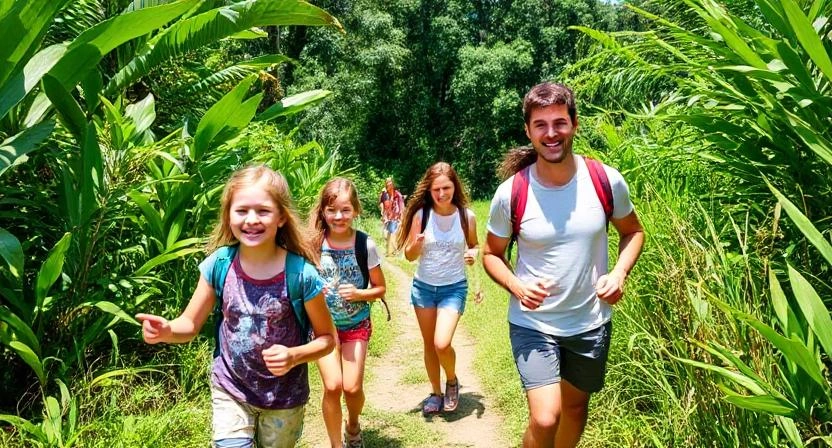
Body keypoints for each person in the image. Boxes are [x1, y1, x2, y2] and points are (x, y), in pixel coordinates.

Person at [482, 82, 644, 448]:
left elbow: (633, 232)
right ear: (528, 131)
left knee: (573, 410)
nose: (551, 133)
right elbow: (491, 254)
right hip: (533, 323)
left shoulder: (606, 180)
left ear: (574, 124)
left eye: (559, 122)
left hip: (589, 321)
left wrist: (618, 273)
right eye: (540, 124)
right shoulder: (511, 193)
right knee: (545, 417)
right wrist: (517, 286)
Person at [136, 166, 337, 448]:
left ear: (281, 217)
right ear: (228, 214)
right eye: (241, 210)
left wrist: (293, 356)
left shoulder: (301, 275)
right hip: (230, 388)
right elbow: (190, 325)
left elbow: (328, 340)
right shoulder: (219, 265)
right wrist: (167, 330)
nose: (251, 219)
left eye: (263, 211)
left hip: (284, 399)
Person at [395, 162, 478, 416]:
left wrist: (472, 254)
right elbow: (409, 256)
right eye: (436, 190)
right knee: (429, 344)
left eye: (446, 188)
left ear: (455, 186)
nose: (442, 194)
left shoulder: (466, 216)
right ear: (429, 191)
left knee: (442, 343)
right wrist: (416, 245)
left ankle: (451, 381)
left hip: (453, 287)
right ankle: (435, 392)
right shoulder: (422, 215)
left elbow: (474, 245)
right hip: (423, 288)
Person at [309, 177, 387, 448]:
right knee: (333, 386)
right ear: (322, 211)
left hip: (355, 324)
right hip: (323, 329)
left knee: (352, 389)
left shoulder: (365, 244)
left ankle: (352, 424)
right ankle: (336, 445)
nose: (338, 216)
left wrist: (359, 294)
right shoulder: (313, 244)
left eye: (345, 209)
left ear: (356, 210)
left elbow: (380, 288)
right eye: (331, 210)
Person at [378, 177, 405, 256]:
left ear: (393, 184)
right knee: (386, 234)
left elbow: (401, 205)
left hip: (395, 216)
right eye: (387, 182)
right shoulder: (384, 194)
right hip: (387, 216)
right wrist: (382, 211)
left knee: (392, 232)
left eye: (390, 182)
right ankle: (391, 250)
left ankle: (392, 251)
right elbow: (380, 203)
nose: (388, 184)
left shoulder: (397, 194)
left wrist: (401, 216)